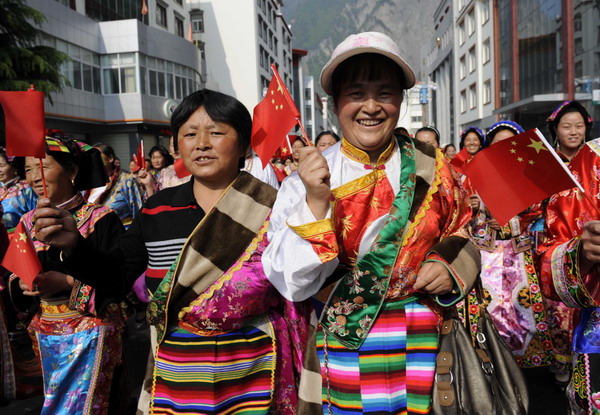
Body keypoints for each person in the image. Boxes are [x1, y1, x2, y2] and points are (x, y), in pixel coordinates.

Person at [30, 89, 310, 414]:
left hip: (254, 362)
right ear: (177, 145)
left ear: (245, 144)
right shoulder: (155, 210)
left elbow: (297, 281)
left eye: (216, 132)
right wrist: (74, 245)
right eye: (190, 134)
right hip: (177, 363)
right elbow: (117, 277)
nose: (202, 143)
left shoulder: (271, 205)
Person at [263, 32, 480, 413]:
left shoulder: (435, 167)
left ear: (400, 100)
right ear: (334, 105)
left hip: (427, 338)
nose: (371, 107)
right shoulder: (307, 179)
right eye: (357, 93)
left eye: (384, 93)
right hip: (345, 343)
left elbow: (464, 232)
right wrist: (316, 201)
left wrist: (450, 267)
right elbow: (290, 281)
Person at [10, 136, 125, 415]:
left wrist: (66, 283)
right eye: (29, 170)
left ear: (72, 171)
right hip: (46, 333)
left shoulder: (101, 218)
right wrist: (24, 284)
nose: (35, 177)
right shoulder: (26, 222)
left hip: (91, 332)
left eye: (43, 167)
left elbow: (119, 286)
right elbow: (14, 276)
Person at [467, 120, 554, 368]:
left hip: (520, 255)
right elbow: (462, 217)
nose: (504, 148)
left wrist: (514, 222)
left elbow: (540, 216)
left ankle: (524, 361)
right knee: (492, 306)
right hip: (488, 255)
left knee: (521, 308)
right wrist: (476, 215)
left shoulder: (531, 176)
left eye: (510, 144)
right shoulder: (473, 177)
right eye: (498, 144)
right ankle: (492, 359)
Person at [538, 101, 599, 414]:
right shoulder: (551, 171)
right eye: (567, 125)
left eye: (579, 125)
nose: (574, 131)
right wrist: (580, 252)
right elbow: (551, 251)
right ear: (556, 132)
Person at [87, 143, 144, 229]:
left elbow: (137, 209)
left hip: (123, 233)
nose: (94, 160)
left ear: (110, 158)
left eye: (97, 156)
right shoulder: (89, 183)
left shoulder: (126, 180)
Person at [0, 148, 37, 234]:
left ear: (14, 167)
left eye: (1, 166)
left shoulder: (26, 188)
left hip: (19, 237)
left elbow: (35, 213)